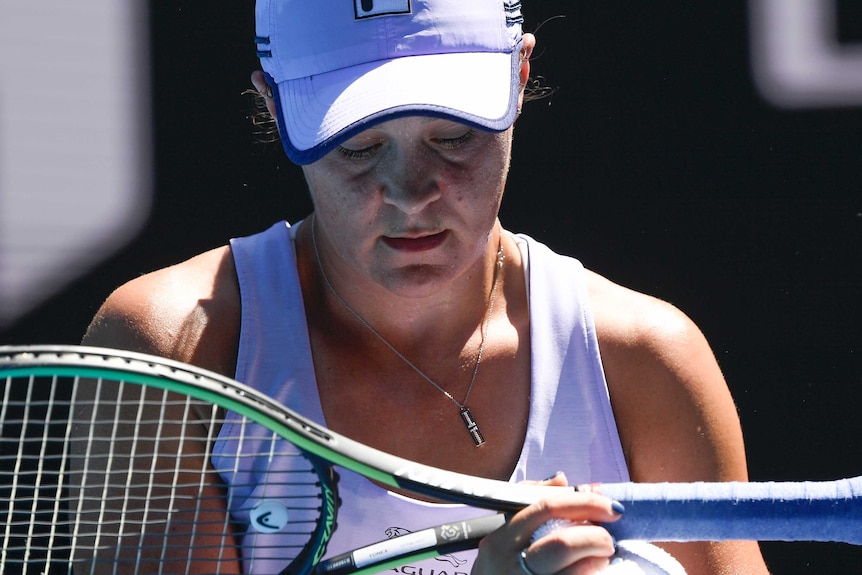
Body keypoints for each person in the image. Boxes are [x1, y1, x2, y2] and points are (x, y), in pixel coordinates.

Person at [82, 0, 770, 573]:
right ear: (272, 99)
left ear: (520, 76)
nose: (411, 195)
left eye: (454, 136)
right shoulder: (173, 347)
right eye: (357, 145)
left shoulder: (647, 359)